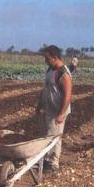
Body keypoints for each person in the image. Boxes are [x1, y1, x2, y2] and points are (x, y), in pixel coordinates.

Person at [36, 45, 72, 173]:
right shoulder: (50, 70)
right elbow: (46, 89)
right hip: (48, 109)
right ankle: (46, 159)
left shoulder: (63, 73)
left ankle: (53, 164)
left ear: (54, 57)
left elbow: (68, 95)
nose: (45, 60)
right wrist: (39, 106)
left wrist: (61, 114)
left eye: (47, 58)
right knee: (47, 135)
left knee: (54, 137)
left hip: (58, 111)